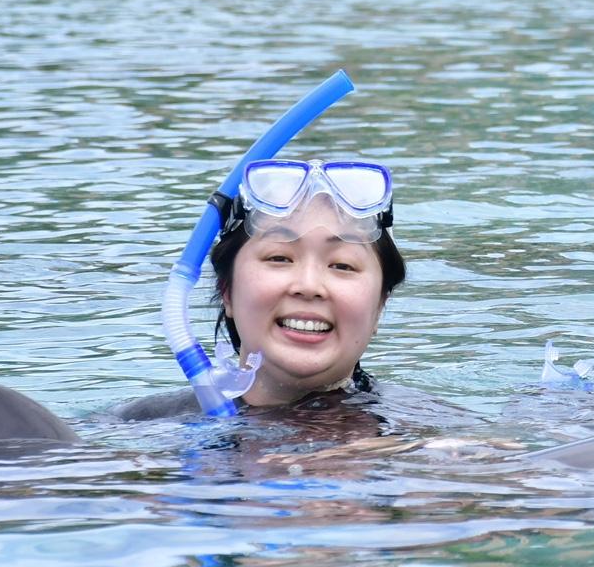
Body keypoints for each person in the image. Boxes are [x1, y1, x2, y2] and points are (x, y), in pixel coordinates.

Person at [115, 158, 405, 418]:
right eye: (279, 258)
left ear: (380, 305)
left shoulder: (420, 438)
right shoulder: (137, 424)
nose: (308, 286)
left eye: (342, 265)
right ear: (227, 289)